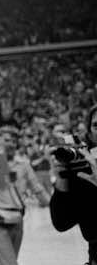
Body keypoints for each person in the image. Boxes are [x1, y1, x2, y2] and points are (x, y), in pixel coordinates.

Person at [0, 142, 50, 265]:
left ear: (16, 145)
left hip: (17, 219)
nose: (8, 145)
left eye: (11, 141)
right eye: (4, 140)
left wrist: (51, 203)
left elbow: (36, 187)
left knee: (7, 260)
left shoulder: (24, 165)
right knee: (10, 262)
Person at [50, 105, 97, 265]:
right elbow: (61, 223)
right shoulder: (85, 171)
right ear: (90, 133)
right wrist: (62, 178)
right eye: (96, 125)